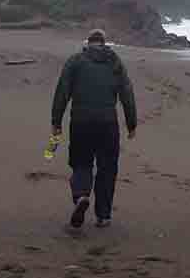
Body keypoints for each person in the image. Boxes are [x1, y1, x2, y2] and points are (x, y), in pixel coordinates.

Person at [51, 29, 136, 229]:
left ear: (88, 43)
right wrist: (131, 123)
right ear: (104, 43)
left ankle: (81, 196)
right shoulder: (115, 62)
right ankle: (103, 215)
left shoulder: (75, 61)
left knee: (81, 163)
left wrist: (56, 122)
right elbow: (127, 93)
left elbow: (62, 91)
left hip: (81, 122)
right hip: (108, 124)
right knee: (107, 168)